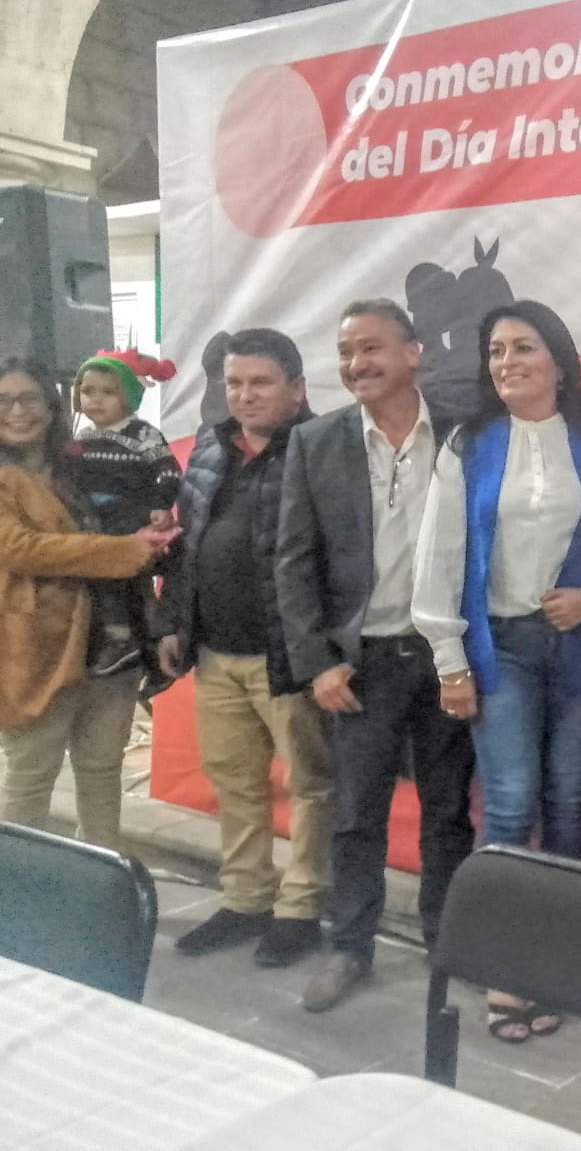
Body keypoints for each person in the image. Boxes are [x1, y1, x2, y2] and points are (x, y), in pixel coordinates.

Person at [413, 299, 581, 1041]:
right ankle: (506, 963)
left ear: (559, 362)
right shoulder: (469, 445)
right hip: (498, 646)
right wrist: (448, 659)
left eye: (522, 348)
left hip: (580, 646)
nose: (506, 362)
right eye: (496, 351)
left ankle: (557, 961)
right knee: (509, 805)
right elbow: (439, 555)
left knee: (568, 805)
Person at [276, 299, 476, 1013]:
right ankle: (349, 946)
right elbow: (293, 563)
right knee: (358, 814)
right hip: (360, 665)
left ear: (413, 352)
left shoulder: (463, 433)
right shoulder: (318, 443)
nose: (356, 364)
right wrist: (318, 663)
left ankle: (444, 945)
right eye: (346, 352)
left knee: (449, 811)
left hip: (447, 656)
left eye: (371, 349)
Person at [157, 329, 334, 969]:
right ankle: (245, 900)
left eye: (260, 383)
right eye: (235, 383)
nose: (245, 395)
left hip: (289, 658)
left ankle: (302, 908)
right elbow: (186, 545)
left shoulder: (324, 448)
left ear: (297, 388)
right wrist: (173, 623)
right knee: (236, 784)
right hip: (217, 654)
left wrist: (325, 654)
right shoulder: (211, 446)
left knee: (312, 787)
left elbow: (342, 561)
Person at [0, 357, 175, 847]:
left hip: (113, 645)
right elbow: (21, 549)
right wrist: (124, 551)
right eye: (4, 401)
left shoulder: (77, 464)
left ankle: (98, 887)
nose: (18, 411)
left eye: (29, 398)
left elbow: (135, 508)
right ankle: (17, 903)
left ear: (52, 407)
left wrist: (153, 527)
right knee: (31, 776)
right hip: (36, 653)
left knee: (101, 771)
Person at [61, 349, 180, 681]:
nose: (96, 400)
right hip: (89, 524)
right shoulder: (80, 439)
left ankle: (123, 638)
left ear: (130, 395)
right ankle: (107, 637)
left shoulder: (143, 435)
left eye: (108, 392)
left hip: (129, 522)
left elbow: (168, 472)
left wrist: (160, 506)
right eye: (88, 391)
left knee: (117, 578)